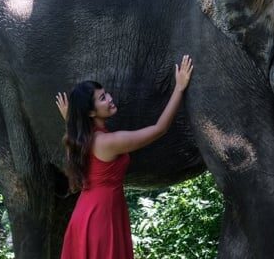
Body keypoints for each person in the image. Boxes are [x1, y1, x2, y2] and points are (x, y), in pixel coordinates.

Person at [55, 55, 194, 259]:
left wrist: (70, 119)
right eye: (102, 98)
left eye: (106, 94)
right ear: (91, 113)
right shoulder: (108, 142)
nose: (110, 98)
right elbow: (159, 129)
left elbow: (76, 133)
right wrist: (179, 88)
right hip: (101, 218)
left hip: (89, 213)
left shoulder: (79, 138)